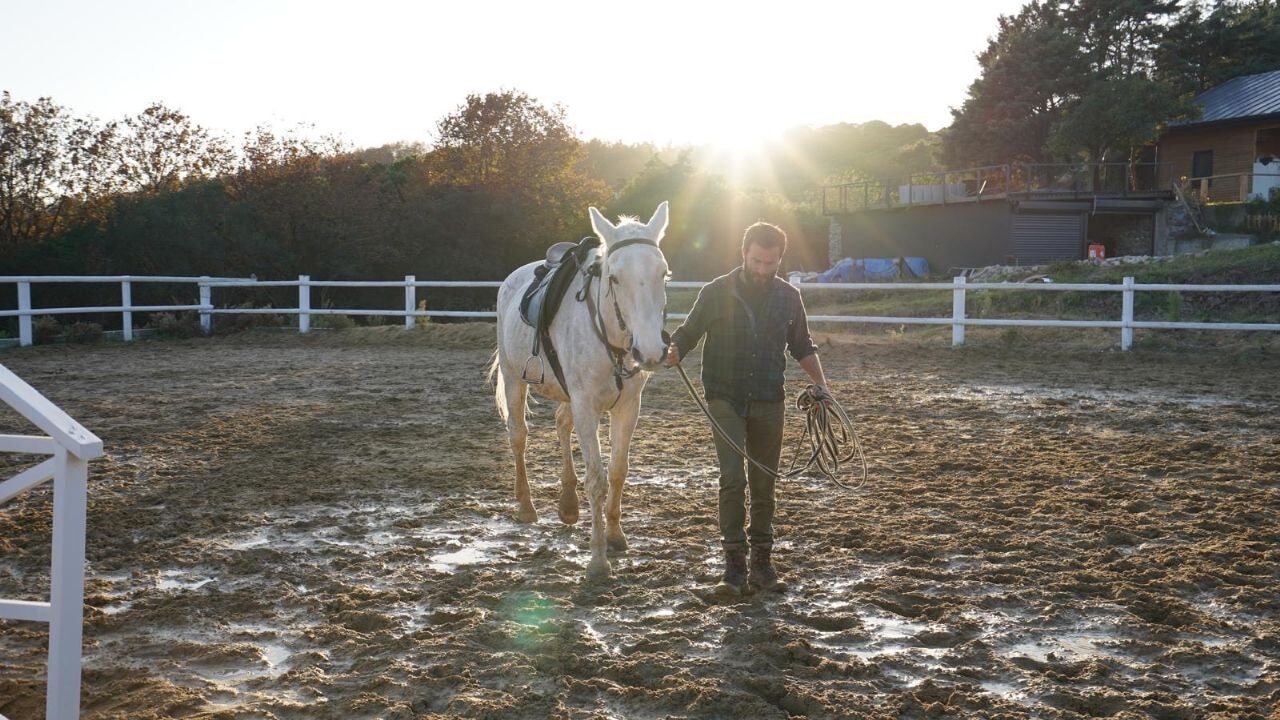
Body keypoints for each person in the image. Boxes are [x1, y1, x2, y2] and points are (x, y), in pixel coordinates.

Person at [665, 221, 829, 595]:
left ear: (779, 259)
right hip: (724, 396)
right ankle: (734, 564)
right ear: (744, 254)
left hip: (770, 397)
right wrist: (674, 351)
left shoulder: (789, 296)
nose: (762, 270)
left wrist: (823, 387)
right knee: (733, 478)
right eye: (756, 261)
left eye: (770, 263)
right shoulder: (715, 292)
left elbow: (802, 344)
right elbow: (687, 333)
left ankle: (762, 564)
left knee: (764, 482)